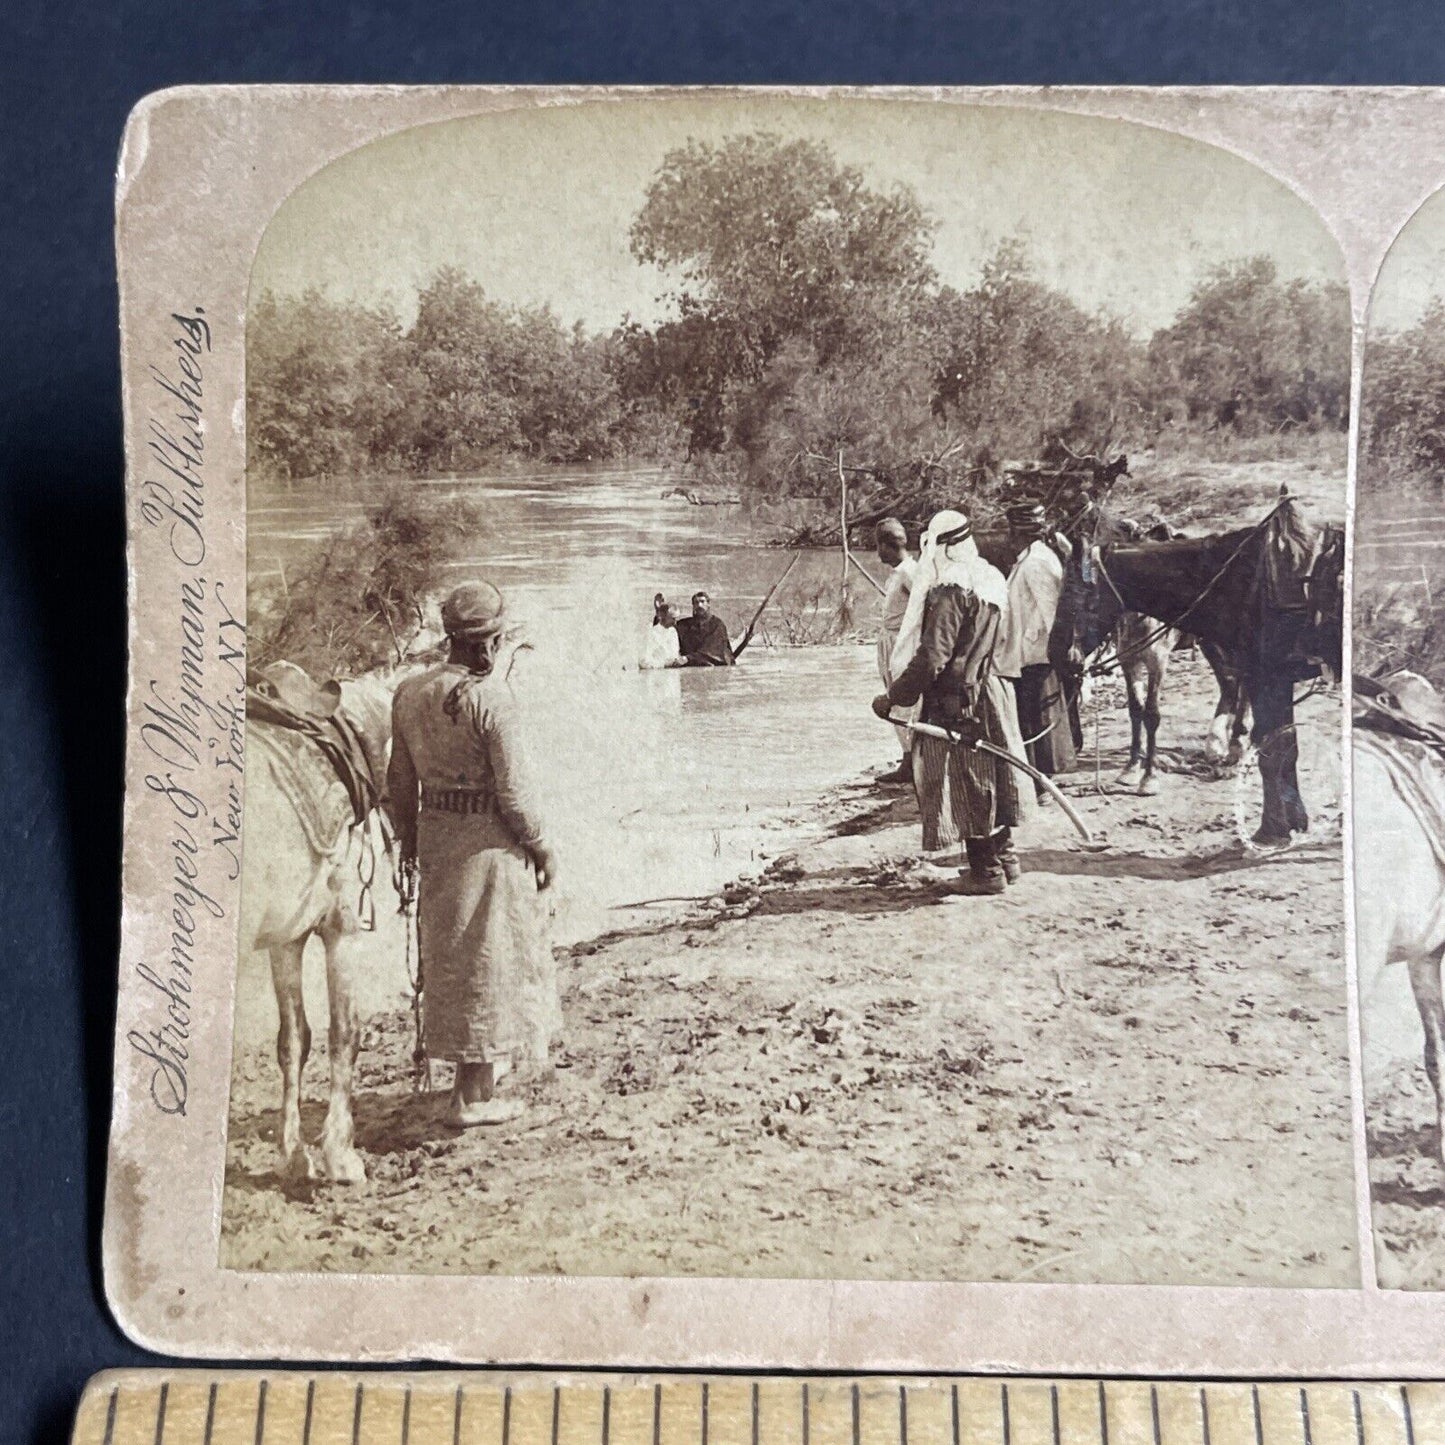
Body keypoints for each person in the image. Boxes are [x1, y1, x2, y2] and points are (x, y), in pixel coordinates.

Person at [386, 581, 560, 1128]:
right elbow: (514, 794)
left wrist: (409, 845)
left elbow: (398, 784)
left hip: (438, 838)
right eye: (497, 641)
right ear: (487, 644)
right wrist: (542, 846)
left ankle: (476, 1076)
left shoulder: (409, 693)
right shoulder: (493, 698)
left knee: (453, 954)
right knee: (491, 956)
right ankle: (471, 1098)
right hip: (488, 843)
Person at [874, 509, 1031, 894]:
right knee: (995, 774)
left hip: (958, 699)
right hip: (990, 689)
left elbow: (933, 656)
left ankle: (986, 871)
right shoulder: (990, 578)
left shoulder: (951, 589)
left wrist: (894, 697)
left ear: (941, 547)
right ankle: (1005, 858)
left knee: (969, 781)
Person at [994, 499, 1078, 789]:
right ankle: (1039, 777)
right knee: (1031, 714)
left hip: (1036, 652)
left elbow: (1052, 611)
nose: (1008, 538)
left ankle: (1043, 780)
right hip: (1028, 650)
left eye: (1011, 532)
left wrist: (1052, 650)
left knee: (1037, 715)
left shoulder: (1036, 562)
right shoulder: (1030, 558)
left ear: (1021, 533)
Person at [873, 518, 917, 785]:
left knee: (901, 701)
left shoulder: (910, 573)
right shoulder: (898, 574)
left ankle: (911, 761)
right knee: (895, 698)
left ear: (889, 546)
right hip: (890, 641)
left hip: (902, 642)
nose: (877, 553)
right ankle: (907, 757)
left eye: (879, 546)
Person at [672, 590, 735, 666]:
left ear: (708, 604)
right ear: (693, 606)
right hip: (690, 664)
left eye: (702, 601)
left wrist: (688, 658)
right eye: (696, 602)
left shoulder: (717, 624)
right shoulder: (684, 625)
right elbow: (666, 631)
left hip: (714, 665)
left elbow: (711, 650)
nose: (699, 605)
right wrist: (660, 613)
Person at [641, 599, 681, 670]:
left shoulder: (673, 631)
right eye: (672, 618)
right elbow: (644, 662)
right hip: (657, 673)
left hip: (672, 673)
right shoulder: (651, 633)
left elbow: (675, 655)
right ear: (663, 616)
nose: (675, 622)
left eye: (676, 619)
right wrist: (664, 664)